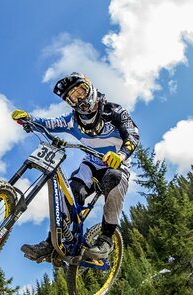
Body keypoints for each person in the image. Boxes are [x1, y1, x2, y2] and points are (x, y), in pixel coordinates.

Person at [12, 72, 139, 261]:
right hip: (91, 164)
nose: (78, 97)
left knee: (114, 178)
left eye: (80, 90)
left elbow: (133, 134)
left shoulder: (114, 111)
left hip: (116, 165)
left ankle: (106, 240)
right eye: (72, 96)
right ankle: (51, 242)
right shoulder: (72, 119)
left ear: (90, 88)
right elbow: (47, 123)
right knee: (72, 191)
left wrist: (121, 155)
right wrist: (28, 118)